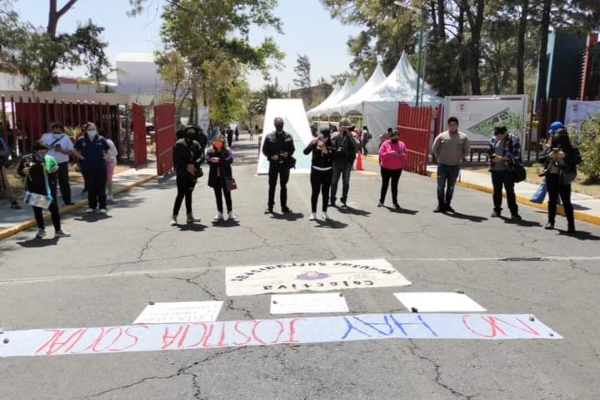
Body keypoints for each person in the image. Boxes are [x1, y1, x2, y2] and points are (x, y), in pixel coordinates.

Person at [17, 141, 70, 239]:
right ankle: (41, 230)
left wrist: (54, 170)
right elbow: (19, 171)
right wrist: (23, 172)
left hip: (48, 188)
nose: (43, 153)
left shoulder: (49, 159)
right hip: (34, 188)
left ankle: (58, 230)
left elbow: (55, 170)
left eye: (45, 151)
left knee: (54, 209)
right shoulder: (26, 159)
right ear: (35, 151)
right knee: (37, 210)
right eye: (41, 151)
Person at [538, 127, 581, 233]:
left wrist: (565, 156)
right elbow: (540, 159)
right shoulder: (550, 147)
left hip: (564, 177)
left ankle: (571, 224)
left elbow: (577, 160)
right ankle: (551, 221)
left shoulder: (571, 148)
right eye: (556, 135)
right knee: (552, 200)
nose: (557, 138)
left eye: (560, 136)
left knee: (566, 201)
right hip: (551, 176)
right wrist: (549, 156)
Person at [432, 116, 470, 213]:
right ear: (448, 125)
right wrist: (439, 157)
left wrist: (460, 157)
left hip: (455, 166)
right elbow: (434, 148)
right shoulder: (442, 136)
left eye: (454, 125)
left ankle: (447, 204)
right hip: (443, 165)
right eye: (450, 125)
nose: (452, 127)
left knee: (451, 187)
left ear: (457, 125)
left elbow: (467, 150)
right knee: (440, 186)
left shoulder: (463, 137)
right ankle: (440, 205)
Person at [487, 125, 522, 220]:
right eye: (497, 135)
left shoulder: (513, 139)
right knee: (496, 191)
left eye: (500, 135)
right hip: (495, 169)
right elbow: (490, 150)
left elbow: (516, 154)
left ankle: (514, 212)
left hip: (508, 170)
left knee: (510, 191)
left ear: (505, 132)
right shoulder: (493, 139)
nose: (499, 137)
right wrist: (492, 157)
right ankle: (497, 210)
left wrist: (502, 158)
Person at [73, 122, 110, 214]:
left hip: (100, 167)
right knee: (90, 187)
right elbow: (74, 149)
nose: (92, 131)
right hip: (87, 168)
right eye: (90, 130)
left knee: (101, 188)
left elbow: (107, 149)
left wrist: (106, 156)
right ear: (86, 130)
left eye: (93, 129)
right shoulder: (81, 139)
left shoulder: (100, 139)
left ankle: (103, 206)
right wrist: (81, 157)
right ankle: (92, 206)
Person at [171, 126, 204, 225]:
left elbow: (201, 156)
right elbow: (176, 159)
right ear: (185, 132)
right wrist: (186, 166)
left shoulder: (196, 144)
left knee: (189, 194)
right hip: (182, 173)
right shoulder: (179, 144)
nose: (191, 133)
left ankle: (189, 216)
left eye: (193, 132)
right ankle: (174, 217)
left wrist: (194, 164)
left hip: (193, 173)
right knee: (180, 194)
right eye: (189, 132)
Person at [262, 117, 295, 214]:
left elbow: (292, 149)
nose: (279, 126)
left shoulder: (288, 136)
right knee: (272, 185)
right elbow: (264, 150)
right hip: (274, 164)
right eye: (278, 125)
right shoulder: (269, 136)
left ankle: (284, 206)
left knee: (283, 186)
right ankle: (270, 206)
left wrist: (287, 154)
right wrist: (271, 156)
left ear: (283, 125)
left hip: (285, 164)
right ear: (275, 125)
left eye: (281, 124)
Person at [41, 122, 74, 205]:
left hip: (63, 163)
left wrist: (61, 150)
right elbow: (39, 149)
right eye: (55, 132)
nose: (57, 134)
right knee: (52, 183)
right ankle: (53, 201)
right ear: (52, 130)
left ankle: (67, 200)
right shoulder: (46, 137)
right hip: (50, 164)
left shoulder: (65, 138)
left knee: (64, 182)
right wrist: (48, 147)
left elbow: (70, 152)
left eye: (58, 132)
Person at [304, 128, 334, 221]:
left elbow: (333, 158)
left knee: (325, 192)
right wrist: (312, 143)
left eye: (325, 137)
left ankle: (324, 212)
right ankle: (313, 213)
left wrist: (325, 149)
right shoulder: (315, 142)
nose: (322, 139)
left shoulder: (331, 144)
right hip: (316, 170)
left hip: (327, 171)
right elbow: (305, 152)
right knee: (315, 192)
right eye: (321, 136)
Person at [530, 121, 564, 205]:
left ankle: (538, 197)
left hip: (558, 167)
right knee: (552, 183)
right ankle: (553, 199)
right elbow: (543, 156)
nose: (552, 135)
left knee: (548, 182)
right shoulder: (553, 141)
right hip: (552, 166)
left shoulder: (563, 142)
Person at [330, 118, 360, 209]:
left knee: (345, 182)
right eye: (342, 125)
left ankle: (343, 201)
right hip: (336, 161)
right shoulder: (335, 133)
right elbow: (331, 141)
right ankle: (332, 200)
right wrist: (340, 133)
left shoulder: (353, 134)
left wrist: (350, 135)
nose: (344, 126)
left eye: (346, 125)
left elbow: (357, 146)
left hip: (347, 161)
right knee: (334, 181)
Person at [206, 134, 236, 222]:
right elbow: (208, 160)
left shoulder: (227, 150)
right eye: (216, 140)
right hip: (215, 176)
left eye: (220, 140)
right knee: (218, 195)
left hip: (226, 175)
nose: (218, 142)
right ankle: (220, 213)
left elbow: (230, 160)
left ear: (223, 142)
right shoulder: (210, 151)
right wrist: (215, 161)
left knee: (228, 195)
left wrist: (219, 160)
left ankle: (230, 212)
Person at [378, 131, 407, 209]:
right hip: (386, 168)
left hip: (397, 168)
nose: (396, 138)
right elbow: (381, 155)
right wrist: (390, 153)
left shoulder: (402, 144)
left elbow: (405, 155)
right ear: (390, 137)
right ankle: (381, 201)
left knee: (394, 185)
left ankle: (395, 202)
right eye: (394, 136)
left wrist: (400, 155)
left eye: (397, 136)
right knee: (385, 184)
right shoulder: (385, 144)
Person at [100, 132, 118, 203]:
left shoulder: (106, 142)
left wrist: (105, 157)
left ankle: (110, 195)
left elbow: (113, 153)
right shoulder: (109, 141)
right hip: (110, 161)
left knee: (108, 179)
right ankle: (108, 194)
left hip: (109, 162)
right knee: (107, 179)